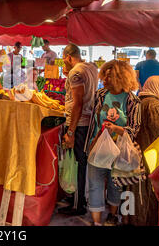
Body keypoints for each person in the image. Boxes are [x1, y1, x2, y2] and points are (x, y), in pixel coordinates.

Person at [86, 60, 141, 226]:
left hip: (119, 151)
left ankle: (112, 215)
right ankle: (96, 222)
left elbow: (134, 129)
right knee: (94, 183)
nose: (104, 80)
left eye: (109, 77)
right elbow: (93, 121)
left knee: (115, 184)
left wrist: (117, 128)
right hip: (98, 147)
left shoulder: (132, 100)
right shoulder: (100, 94)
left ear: (120, 78)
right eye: (104, 76)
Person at [125, 75, 159, 226]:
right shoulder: (153, 105)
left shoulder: (140, 101)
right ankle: (143, 222)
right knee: (144, 193)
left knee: (134, 189)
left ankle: (130, 220)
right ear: (157, 86)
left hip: (135, 153)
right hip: (148, 155)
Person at [59, 44, 98, 216]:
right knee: (81, 162)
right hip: (88, 121)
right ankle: (77, 197)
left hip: (79, 123)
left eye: (63, 59)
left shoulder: (75, 72)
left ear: (68, 57)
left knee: (77, 164)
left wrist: (71, 132)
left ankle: (78, 204)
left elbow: (78, 103)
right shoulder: (91, 67)